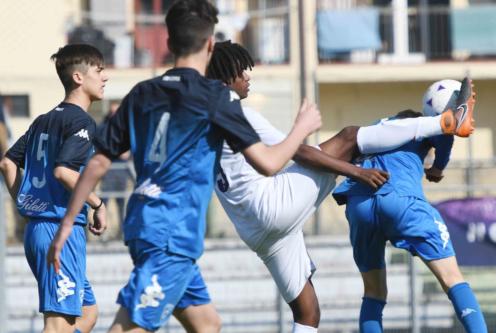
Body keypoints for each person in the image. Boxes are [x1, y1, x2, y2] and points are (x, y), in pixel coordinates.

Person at [47, 1, 322, 332]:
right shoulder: (214, 98)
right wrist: (301, 128)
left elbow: (99, 162)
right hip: (172, 233)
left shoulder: (142, 92)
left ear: (168, 43)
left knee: (207, 325)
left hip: (146, 222)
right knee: (131, 326)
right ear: (209, 44)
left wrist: (66, 224)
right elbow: (269, 163)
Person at [206, 41, 477, 333]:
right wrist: (355, 171)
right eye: (241, 72)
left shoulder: (200, 118)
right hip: (274, 204)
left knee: (307, 312)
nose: (248, 78)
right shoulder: (235, 111)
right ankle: (446, 122)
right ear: (224, 78)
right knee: (347, 138)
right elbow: (298, 151)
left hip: (253, 229)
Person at [333, 78, 487, 333]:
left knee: (374, 292)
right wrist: (436, 169)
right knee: (451, 278)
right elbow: (446, 142)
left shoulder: (378, 127)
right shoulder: (426, 127)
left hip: (358, 202)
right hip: (399, 199)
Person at [0, 44, 108, 333]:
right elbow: (64, 172)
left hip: (41, 228)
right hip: (58, 229)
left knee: (87, 314)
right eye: (99, 71)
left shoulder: (43, 120)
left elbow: (7, 164)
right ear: (78, 77)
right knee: (57, 325)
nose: (105, 78)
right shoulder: (81, 121)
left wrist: (26, 203)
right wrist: (98, 203)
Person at [100, 101, 131, 228]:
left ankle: (121, 232)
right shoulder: (103, 127)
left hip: (122, 172)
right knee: (104, 202)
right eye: (112, 112)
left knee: (121, 203)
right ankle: (102, 229)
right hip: (108, 171)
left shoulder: (126, 128)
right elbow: (100, 146)